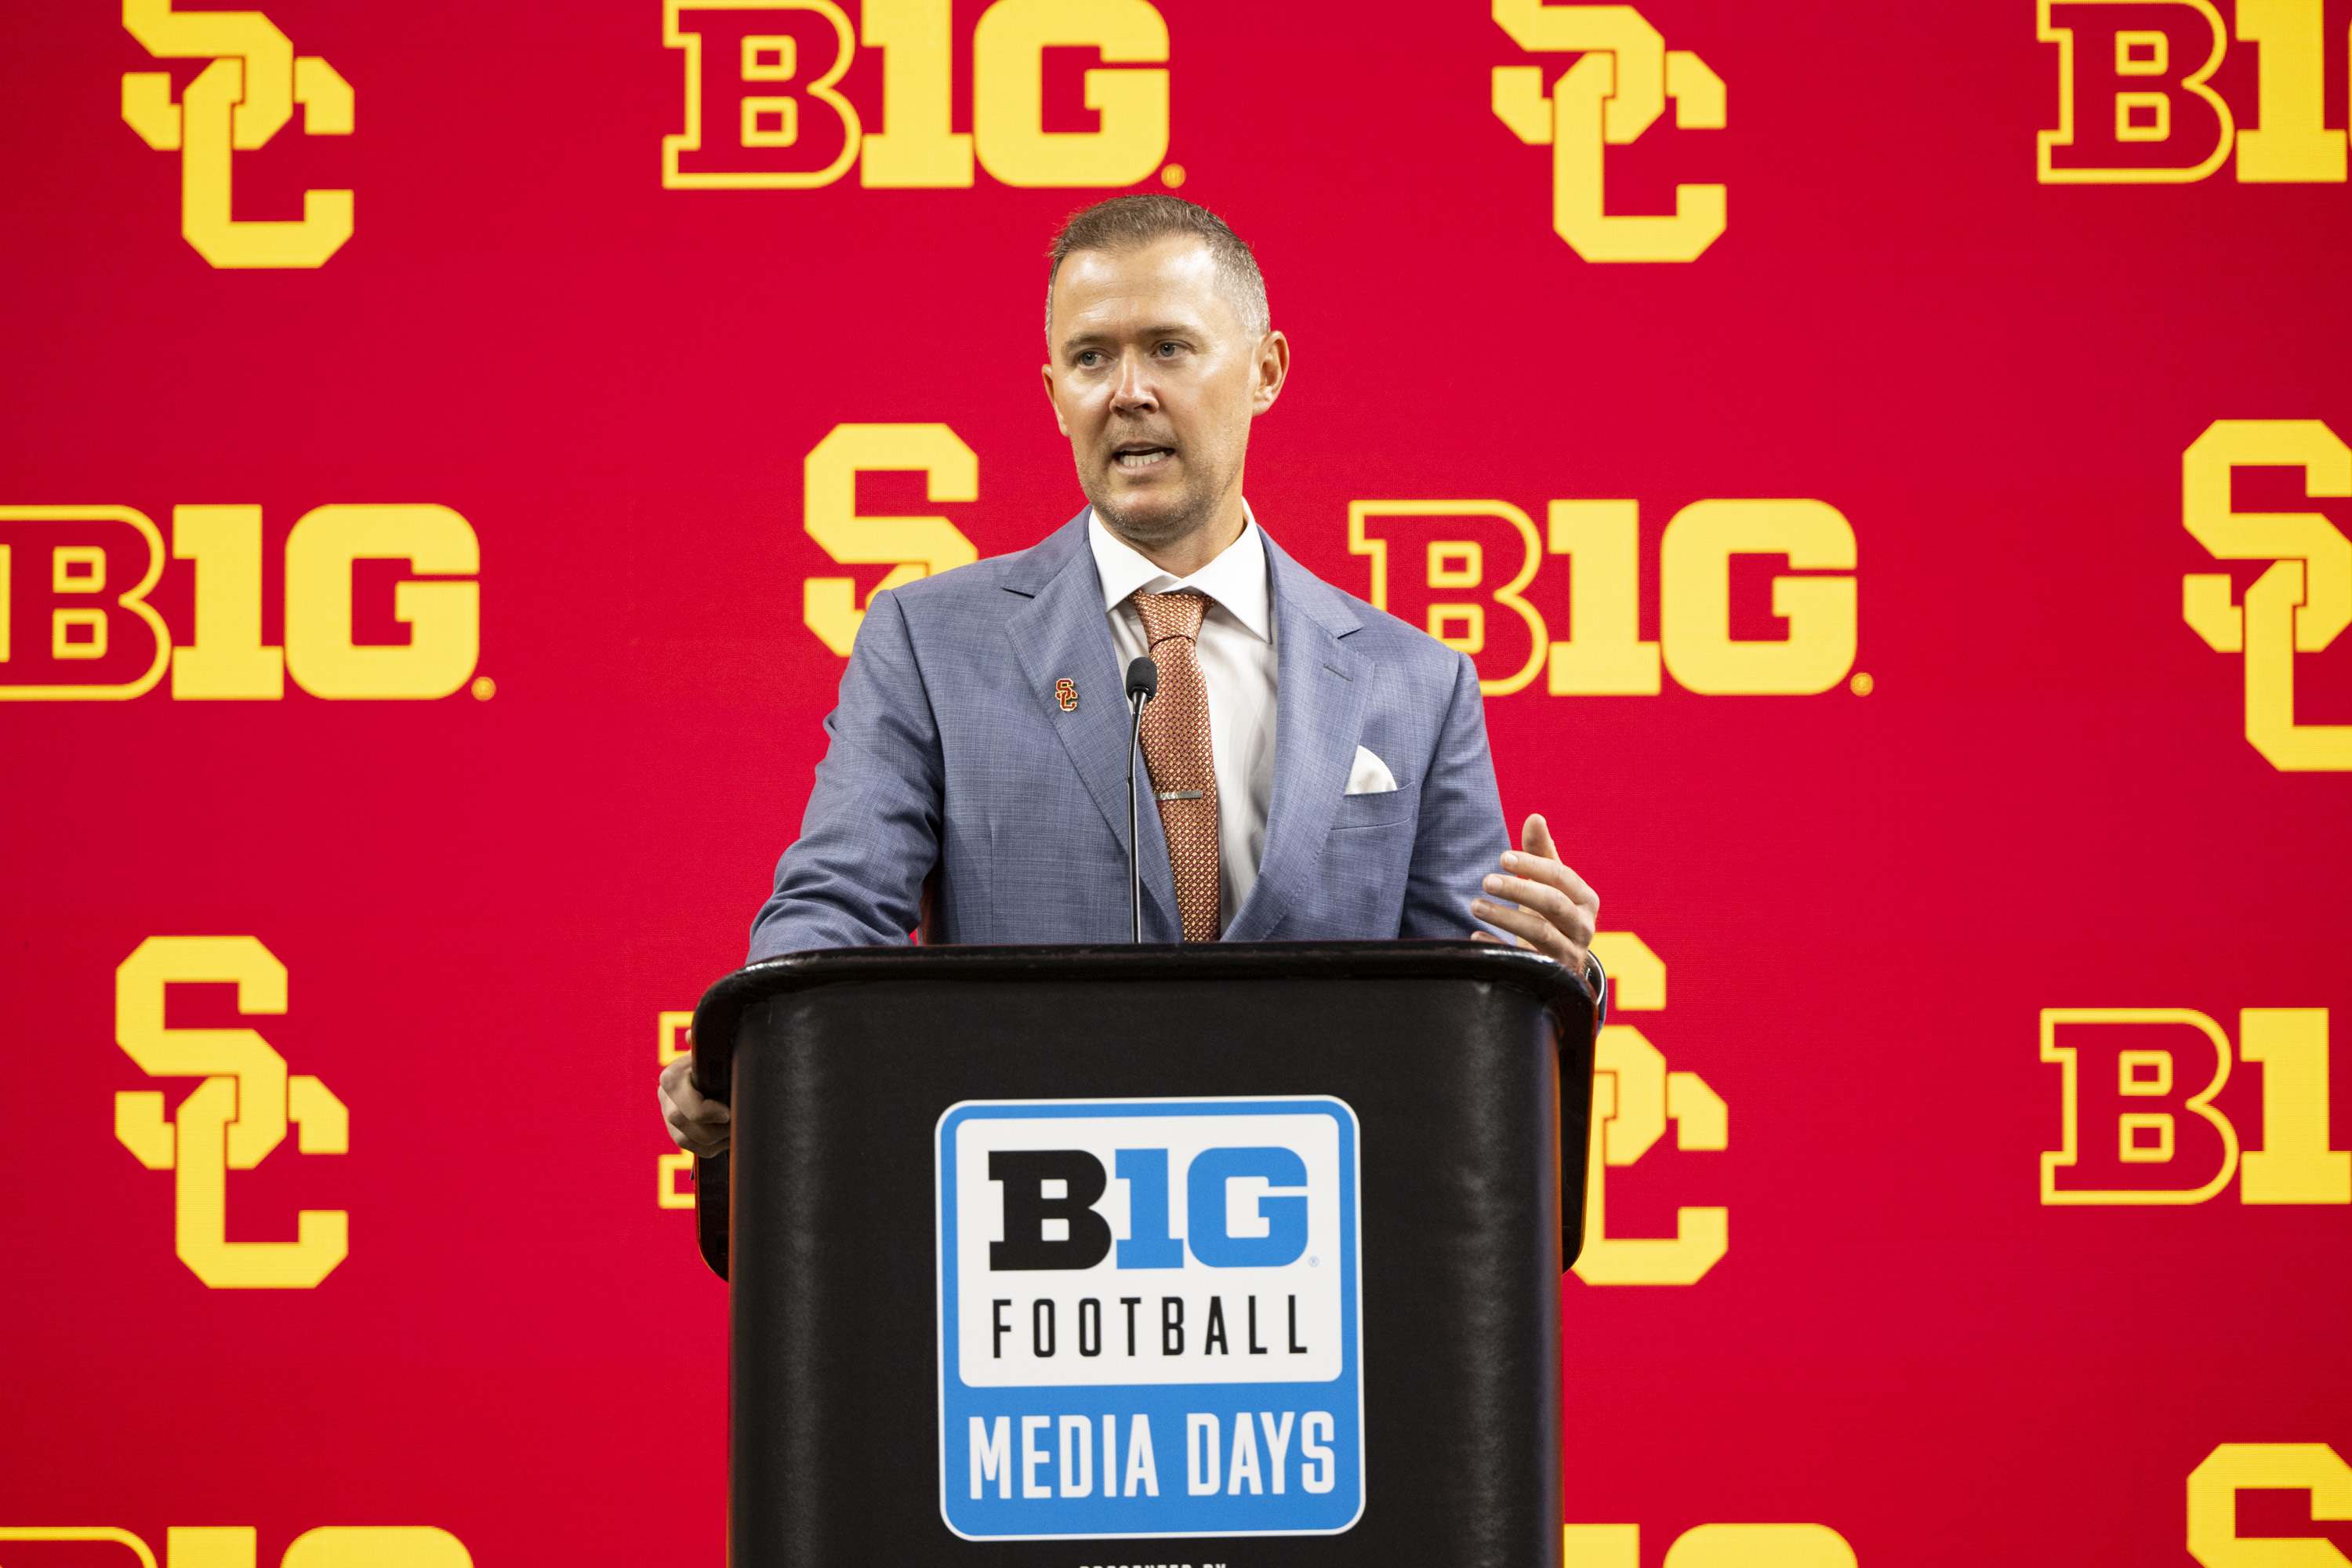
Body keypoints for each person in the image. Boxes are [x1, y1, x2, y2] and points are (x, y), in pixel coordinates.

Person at [662, 194, 1600, 1156]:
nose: (1128, 391)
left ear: (1266, 370)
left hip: (1318, 1240)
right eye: (1091, 357)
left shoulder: (1418, 682)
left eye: (1168, 347)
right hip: (1034, 1232)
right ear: (1054, 390)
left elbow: (1470, 995)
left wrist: (1547, 974)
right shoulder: (929, 643)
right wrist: (751, 1041)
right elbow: (836, 909)